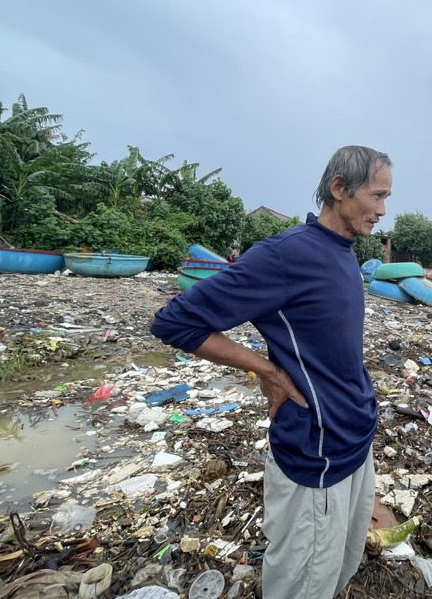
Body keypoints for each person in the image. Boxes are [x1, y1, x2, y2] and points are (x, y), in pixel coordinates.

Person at [151, 146, 392, 599]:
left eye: (387, 198)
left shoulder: (345, 252)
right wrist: (266, 369)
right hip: (315, 455)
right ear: (339, 188)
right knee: (303, 583)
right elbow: (175, 322)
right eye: (376, 196)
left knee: (340, 566)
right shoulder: (284, 255)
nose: (382, 211)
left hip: (356, 444)